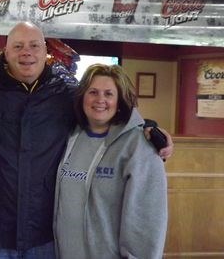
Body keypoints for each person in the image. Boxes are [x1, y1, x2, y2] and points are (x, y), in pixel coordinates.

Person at [0, 22, 173, 259]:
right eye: (17, 46)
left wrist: (147, 128)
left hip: (44, 236)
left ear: (45, 52)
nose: (26, 52)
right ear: (6, 52)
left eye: (34, 46)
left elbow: (104, 111)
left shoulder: (67, 96)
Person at [54, 63, 167, 258]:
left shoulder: (139, 146)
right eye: (93, 92)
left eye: (108, 94)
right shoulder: (72, 135)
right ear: (82, 97)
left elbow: (148, 221)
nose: (100, 100)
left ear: (120, 100)